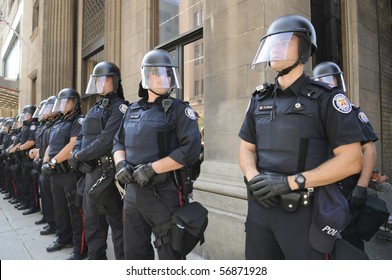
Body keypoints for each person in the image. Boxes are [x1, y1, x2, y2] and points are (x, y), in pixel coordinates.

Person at [238, 14, 364, 259]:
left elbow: (351, 159)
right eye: (272, 42)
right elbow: (245, 147)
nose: (275, 47)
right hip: (260, 209)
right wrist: (254, 179)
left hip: (304, 211)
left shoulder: (328, 99)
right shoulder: (260, 98)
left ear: (304, 49)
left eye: (284, 41)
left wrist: (291, 182)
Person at [113, 49, 201, 260]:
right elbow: (118, 141)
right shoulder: (132, 110)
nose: (164, 78)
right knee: (134, 251)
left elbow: (190, 150)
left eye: (168, 74)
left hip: (164, 192)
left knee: (169, 251)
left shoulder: (180, 110)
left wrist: (153, 168)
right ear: (146, 77)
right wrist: (120, 164)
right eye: (158, 73)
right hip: (133, 194)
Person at [312, 61, 378, 250]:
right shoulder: (312, 113)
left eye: (329, 80)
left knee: (350, 239)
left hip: (346, 187)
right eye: (321, 81)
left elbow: (369, 150)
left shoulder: (349, 110)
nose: (327, 85)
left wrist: (362, 186)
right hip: (319, 185)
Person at [68, 61, 126, 260]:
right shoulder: (95, 107)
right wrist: (75, 154)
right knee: (93, 227)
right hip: (90, 174)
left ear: (115, 81)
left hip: (110, 177)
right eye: (98, 80)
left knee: (119, 229)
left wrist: (78, 156)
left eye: (105, 79)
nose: (100, 84)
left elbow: (105, 141)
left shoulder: (121, 108)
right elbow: (83, 136)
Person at [41, 88, 87, 260]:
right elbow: (50, 145)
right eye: (61, 101)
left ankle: (80, 247)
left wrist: (52, 162)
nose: (63, 104)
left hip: (69, 173)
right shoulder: (59, 122)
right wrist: (46, 161)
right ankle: (63, 237)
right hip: (55, 173)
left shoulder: (78, 121)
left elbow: (73, 146)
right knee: (59, 208)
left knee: (75, 210)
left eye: (67, 101)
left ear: (75, 102)